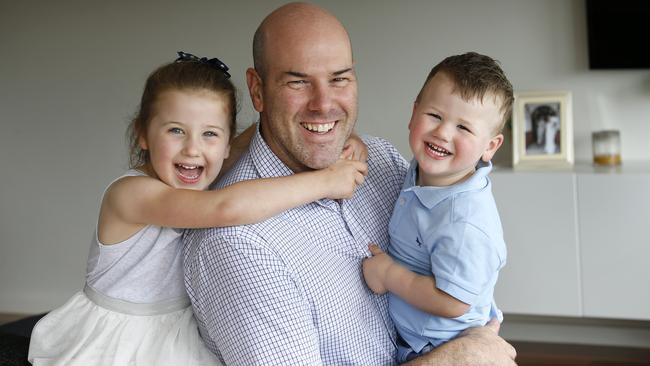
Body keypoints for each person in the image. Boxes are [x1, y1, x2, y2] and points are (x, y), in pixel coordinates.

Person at [183, 3, 517, 365]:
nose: (324, 104)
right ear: (257, 90)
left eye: (339, 78)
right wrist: (458, 358)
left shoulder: (383, 162)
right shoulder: (237, 245)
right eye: (298, 81)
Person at [27, 51, 368, 366]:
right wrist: (325, 181)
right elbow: (225, 207)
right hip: (119, 338)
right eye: (176, 131)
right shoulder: (131, 195)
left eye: (209, 134)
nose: (193, 149)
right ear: (143, 134)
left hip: (176, 331)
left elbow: (266, 131)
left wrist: (333, 141)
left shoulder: (201, 165)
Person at [362, 52, 513, 363]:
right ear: (414, 112)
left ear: (490, 146)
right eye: (434, 115)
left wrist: (390, 275)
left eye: (464, 128)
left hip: (444, 350)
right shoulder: (421, 171)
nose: (443, 133)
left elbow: (452, 301)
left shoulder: (465, 221)